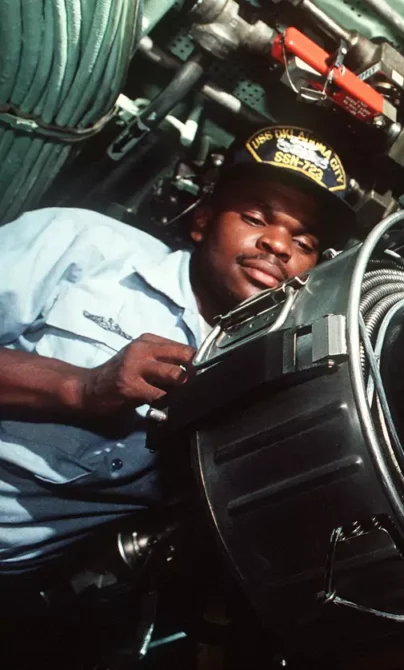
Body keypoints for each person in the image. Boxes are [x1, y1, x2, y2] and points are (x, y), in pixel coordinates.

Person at [0, 125, 353, 572]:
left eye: (304, 243)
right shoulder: (81, 245)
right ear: (203, 220)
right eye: (255, 218)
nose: (278, 245)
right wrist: (80, 386)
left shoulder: (271, 386)